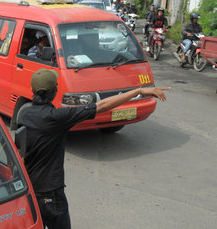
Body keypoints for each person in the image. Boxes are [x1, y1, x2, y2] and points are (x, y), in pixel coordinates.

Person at [18, 68, 169, 229]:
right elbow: (102, 105)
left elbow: (20, 152)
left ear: (33, 91)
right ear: (55, 91)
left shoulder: (24, 115)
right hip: (51, 195)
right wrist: (138, 91)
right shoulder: (58, 117)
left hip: (29, 191)